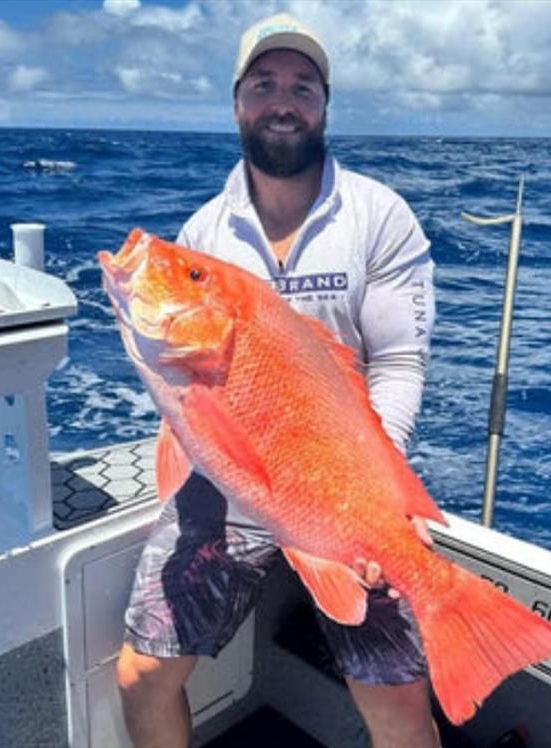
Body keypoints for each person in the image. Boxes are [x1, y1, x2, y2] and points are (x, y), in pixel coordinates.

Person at [116, 12, 439, 748]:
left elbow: (396, 361)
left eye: (302, 85)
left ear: (325, 104)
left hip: (345, 483)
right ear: (238, 102)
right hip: (228, 486)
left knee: (401, 710)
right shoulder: (203, 233)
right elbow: (189, 402)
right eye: (264, 83)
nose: (283, 99)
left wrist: (376, 490)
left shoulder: (379, 216)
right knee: (141, 675)